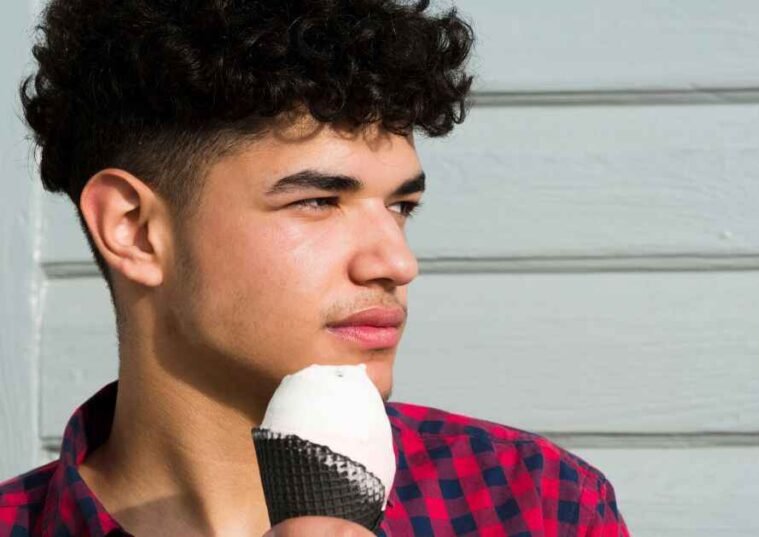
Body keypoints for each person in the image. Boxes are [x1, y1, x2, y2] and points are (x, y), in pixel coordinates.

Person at [0, 0, 631, 536]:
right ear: (134, 229)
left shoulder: (533, 507)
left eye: (401, 206)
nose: (396, 262)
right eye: (318, 201)